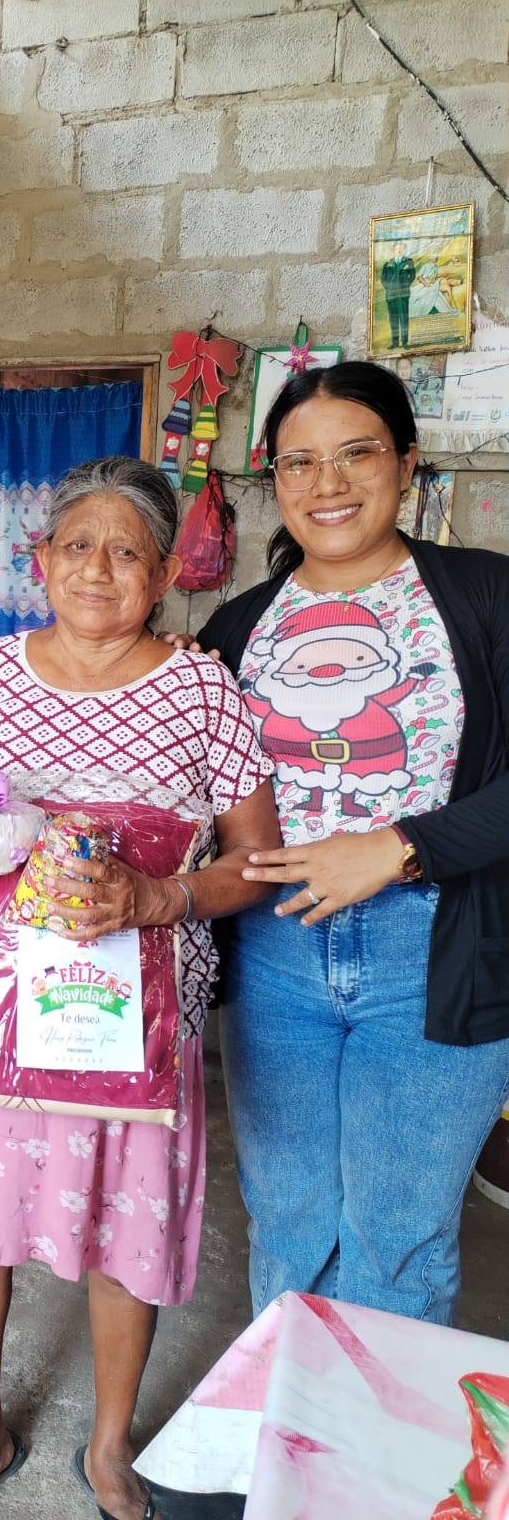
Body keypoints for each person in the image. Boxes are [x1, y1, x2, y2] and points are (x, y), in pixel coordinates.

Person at [0, 458, 279, 1520]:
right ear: (40, 558)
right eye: (77, 546)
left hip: (133, 1023)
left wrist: (160, 895)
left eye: (127, 552)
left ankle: (110, 1451)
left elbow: (255, 859)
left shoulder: (204, 692)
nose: (98, 570)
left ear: (163, 575)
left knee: (127, 1230)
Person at [194, 360, 509, 1324]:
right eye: (298, 463)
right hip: (274, 952)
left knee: (396, 1236)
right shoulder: (238, 626)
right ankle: (289, 1418)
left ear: (407, 462)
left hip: (433, 951)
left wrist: (401, 846)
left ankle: (369, 1429)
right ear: (275, 480)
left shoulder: (487, 595)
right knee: (288, 1220)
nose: (325, 484)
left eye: (356, 454)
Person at [381, 241, 415, 349]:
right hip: (391, 295)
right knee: (393, 319)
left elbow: (412, 275)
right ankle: (395, 343)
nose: (399, 250)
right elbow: (383, 279)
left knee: (403, 319)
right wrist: (389, 288)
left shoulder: (409, 262)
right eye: (397, 248)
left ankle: (405, 343)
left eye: (401, 248)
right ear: (394, 250)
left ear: (404, 250)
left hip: (403, 295)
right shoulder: (388, 263)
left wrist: (405, 285)